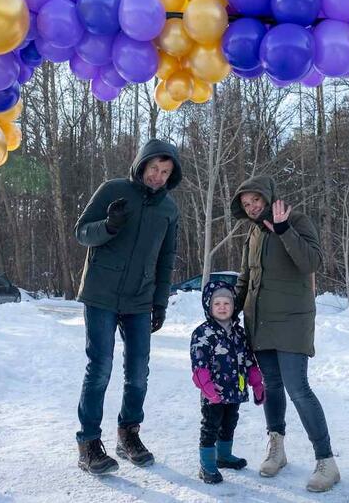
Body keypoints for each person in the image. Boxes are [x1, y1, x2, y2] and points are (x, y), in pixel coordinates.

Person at [73, 138, 182, 475]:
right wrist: (109, 226)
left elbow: (166, 259)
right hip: (101, 293)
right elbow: (82, 233)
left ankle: (128, 434)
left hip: (139, 299)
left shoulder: (169, 210)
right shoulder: (113, 190)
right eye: (154, 168)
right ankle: (89, 443)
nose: (158, 176)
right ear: (142, 164)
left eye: (165, 172)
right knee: (100, 367)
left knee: (138, 372)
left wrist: (160, 302)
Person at [231, 175, 341, 492]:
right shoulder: (252, 233)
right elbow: (246, 276)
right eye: (246, 204)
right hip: (260, 322)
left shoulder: (297, 220)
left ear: (268, 197)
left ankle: (327, 462)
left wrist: (284, 231)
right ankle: (276, 448)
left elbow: (311, 262)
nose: (252, 207)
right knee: (271, 386)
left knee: (298, 388)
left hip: (292, 321)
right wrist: (230, 310)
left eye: (255, 200)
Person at [190, 280, 265, 484]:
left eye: (227, 303)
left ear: (233, 306)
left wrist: (257, 383)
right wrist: (207, 388)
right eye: (217, 303)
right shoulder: (203, 333)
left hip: (235, 390)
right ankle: (206, 466)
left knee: (229, 423)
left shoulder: (239, 333)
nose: (222, 307)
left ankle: (223, 456)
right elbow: (199, 365)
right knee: (210, 426)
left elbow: (249, 360)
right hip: (213, 393)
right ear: (209, 306)